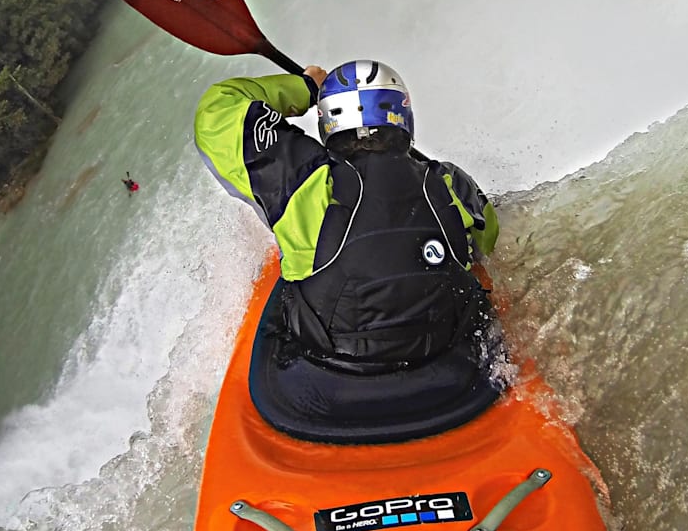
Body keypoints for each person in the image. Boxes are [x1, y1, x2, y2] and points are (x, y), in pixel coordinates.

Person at [194, 59, 502, 442]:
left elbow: (217, 111)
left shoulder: (303, 179)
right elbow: (487, 238)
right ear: (403, 118)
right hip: (448, 375)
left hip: (328, 387)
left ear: (327, 125)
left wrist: (304, 87)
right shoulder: (448, 181)